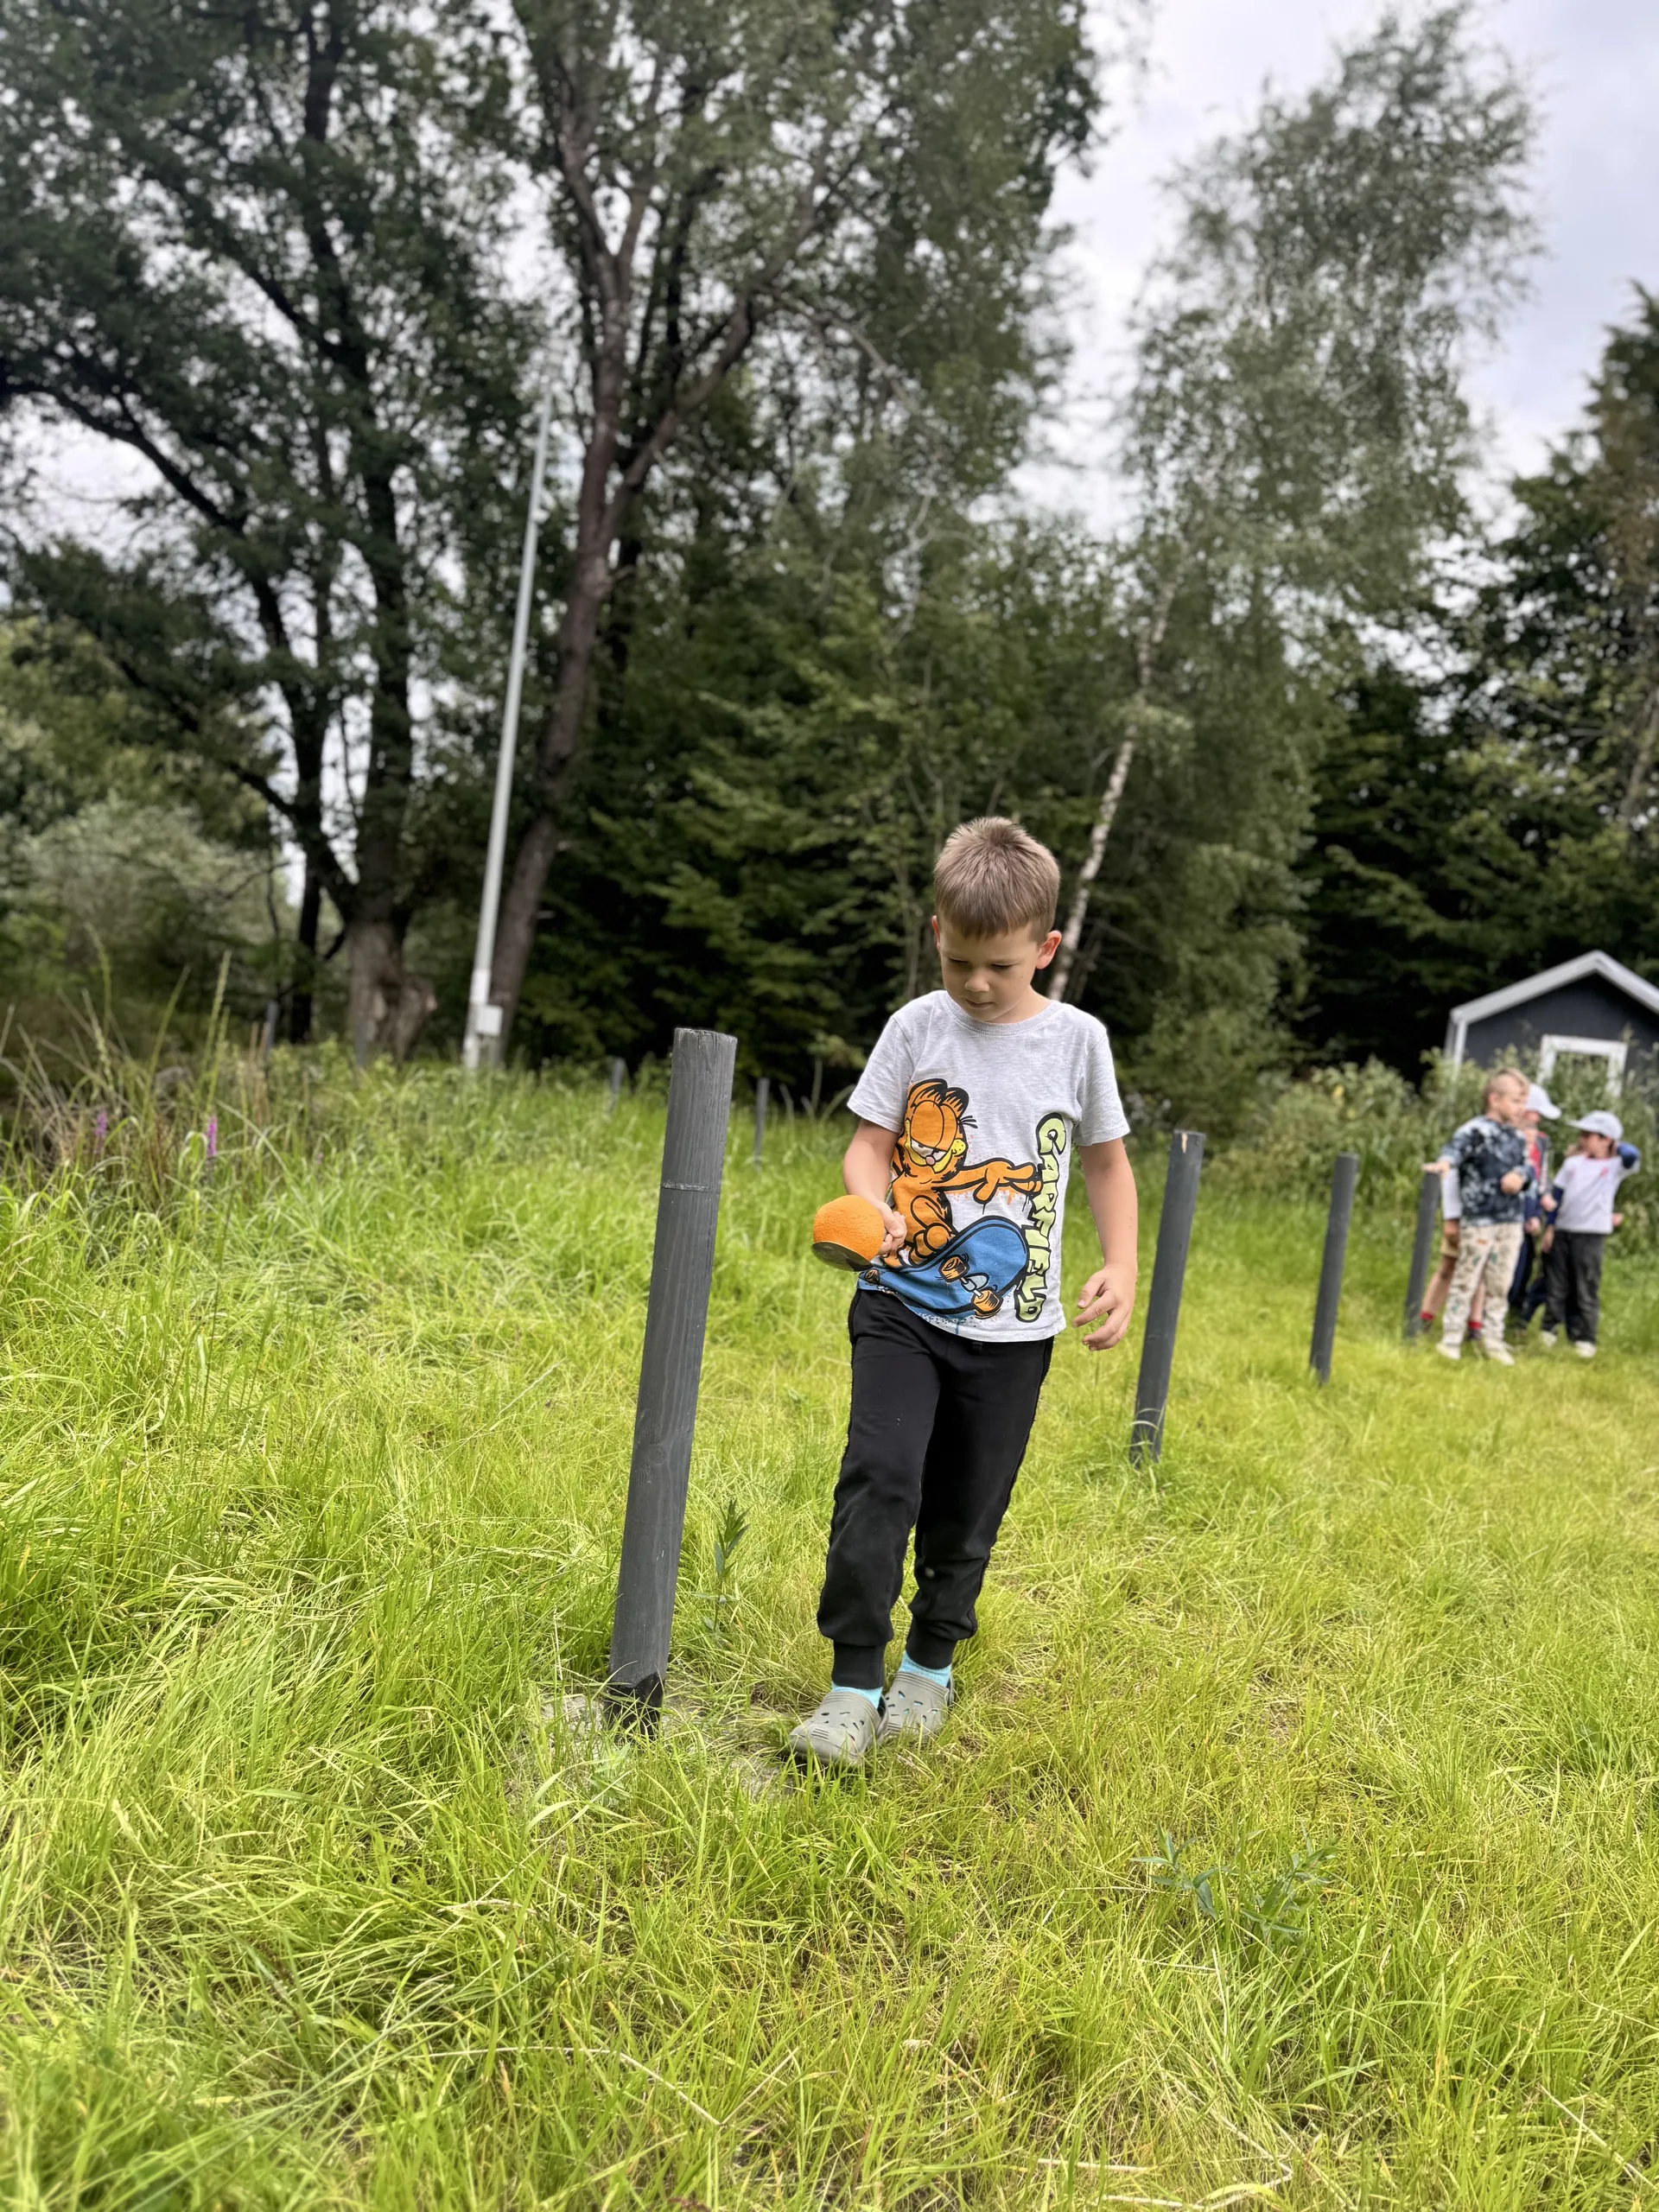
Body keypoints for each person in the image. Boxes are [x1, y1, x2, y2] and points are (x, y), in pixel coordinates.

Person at [788, 817, 1139, 1768]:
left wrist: (1123, 1262)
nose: (979, 984)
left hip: (1016, 1331)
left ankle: (930, 1666)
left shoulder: (1078, 1042)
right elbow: (867, 1143)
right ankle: (852, 1684)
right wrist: (873, 1204)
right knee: (881, 1477)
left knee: (967, 1502)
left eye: (1003, 966)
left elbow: (1106, 1164)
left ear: (1046, 949)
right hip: (900, 1301)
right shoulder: (916, 1026)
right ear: (936, 930)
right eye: (962, 961)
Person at [1424, 1068, 1537, 1365]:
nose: (1521, 1108)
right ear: (1494, 1099)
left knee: (1501, 1283)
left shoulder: (1518, 1136)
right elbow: (1453, 1152)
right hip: (1479, 1220)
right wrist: (1444, 1164)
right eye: (1516, 1100)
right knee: (1466, 1277)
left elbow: (1530, 1170)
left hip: (1510, 1220)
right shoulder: (1473, 1131)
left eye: (1523, 1101)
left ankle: (1493, 1338)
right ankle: (1451, 1337)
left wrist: (1519, 1176)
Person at [1538, 1109, 1642, 1358]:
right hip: (1564, 1229)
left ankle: (1584, 1335)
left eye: (1589, 1135)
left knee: (1585, 1283)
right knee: (1557, 1281)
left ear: (1606, 1139)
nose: (1582, 1139)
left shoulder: (1616, 1165)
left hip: (1591, 1232)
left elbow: (1632, 1155)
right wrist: (1550, 1227)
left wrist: (1614, 1145)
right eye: (1581, 1134)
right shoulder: (1573, 1163)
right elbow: (1558, 1195)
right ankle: (1549, 1328)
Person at [1505, 1082, 1560, 1332]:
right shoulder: (1504, 1136)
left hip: (1531, 1216)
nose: (1537, 1119)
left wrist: (1539, 1209)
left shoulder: (1541, 1142)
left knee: (1524, 1268)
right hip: (1507, 1213)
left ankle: (1515, 1320)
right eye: (1535, 1112)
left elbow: (1542, 1178)